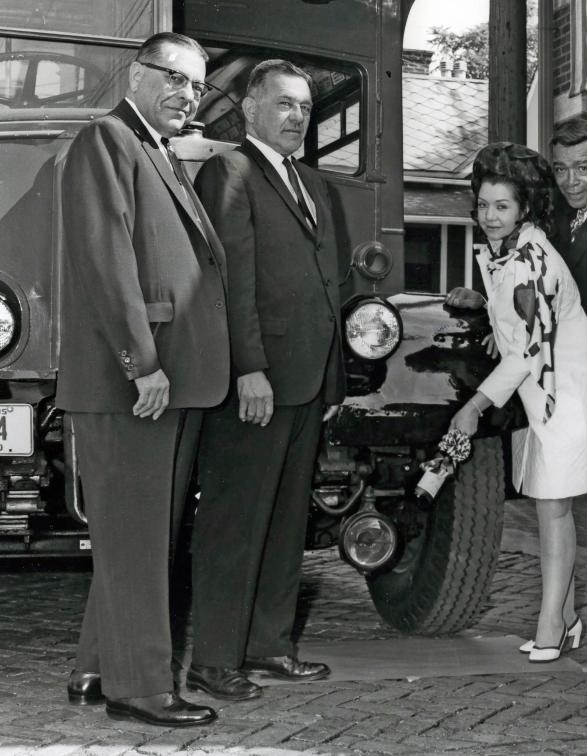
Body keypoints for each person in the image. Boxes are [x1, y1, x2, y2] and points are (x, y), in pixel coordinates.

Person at [58, 32, 229, 727]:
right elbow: (106, 262)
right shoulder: (108, 139)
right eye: (175, 78)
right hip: (135, 382)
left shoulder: (155, 149)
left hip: (168, 381)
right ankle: (142, 690)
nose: (187, 95)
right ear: (138, 74)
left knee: (138, 535)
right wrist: (143, 363)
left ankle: (97, 668)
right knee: (136, 538)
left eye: (196, 86)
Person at [447, 119, 587, 655]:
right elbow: (519, 330)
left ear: (522, 208)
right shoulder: (515, 249)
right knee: (550, 504)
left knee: (552, 508)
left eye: (501, 206)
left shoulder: (531, 258)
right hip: (539, 397)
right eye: (483, 205)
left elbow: (528, 349)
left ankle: (550, 626)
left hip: (565, 395)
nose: (489, 215)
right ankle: (565, 617)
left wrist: (474, 405)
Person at [187, 60, 346, 700]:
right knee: (236, 520)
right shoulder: (229, 171)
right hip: (257, 381)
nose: (296, 118)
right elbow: (230, 281)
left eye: (304, 108)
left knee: (284, 522)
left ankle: (270, 647)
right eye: (283, 104)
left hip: (307, 383)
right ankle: (214, 660)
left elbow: (329, 289)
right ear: (250, 109)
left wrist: (334, 384)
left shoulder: (313, 184)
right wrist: (247, 367)